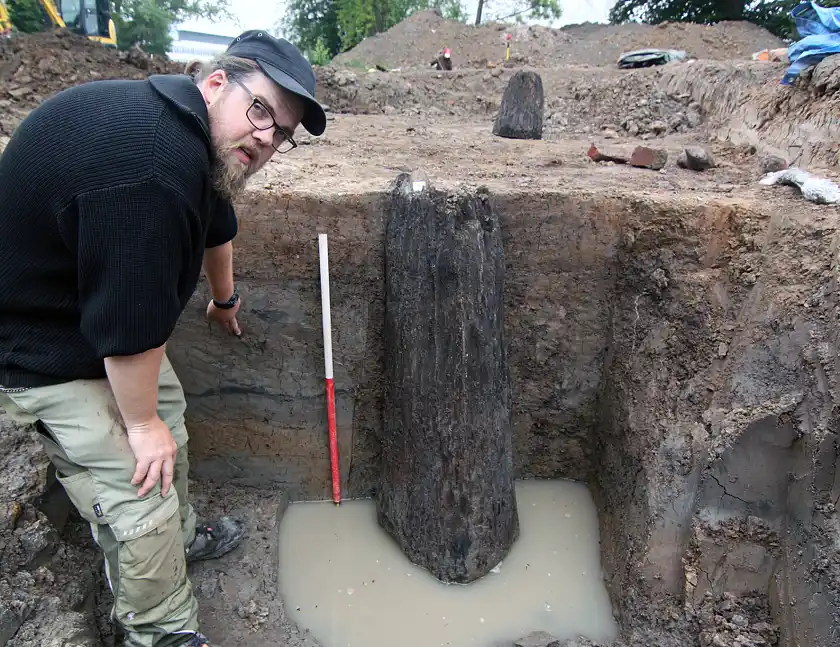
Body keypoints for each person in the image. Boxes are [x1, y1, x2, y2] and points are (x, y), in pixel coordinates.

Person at [0, 29, 326, 647]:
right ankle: (159, 630)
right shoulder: (153, 166)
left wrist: (223, 300)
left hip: (84, 310)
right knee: (137, 487)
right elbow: (129, 325)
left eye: (281, 132)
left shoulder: (199, 137)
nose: (267, 137)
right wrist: (139, 425)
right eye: (262, 111)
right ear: (216, 83)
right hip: (38, 342)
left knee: (166, 419)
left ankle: (178, 542)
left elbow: (217, 227)